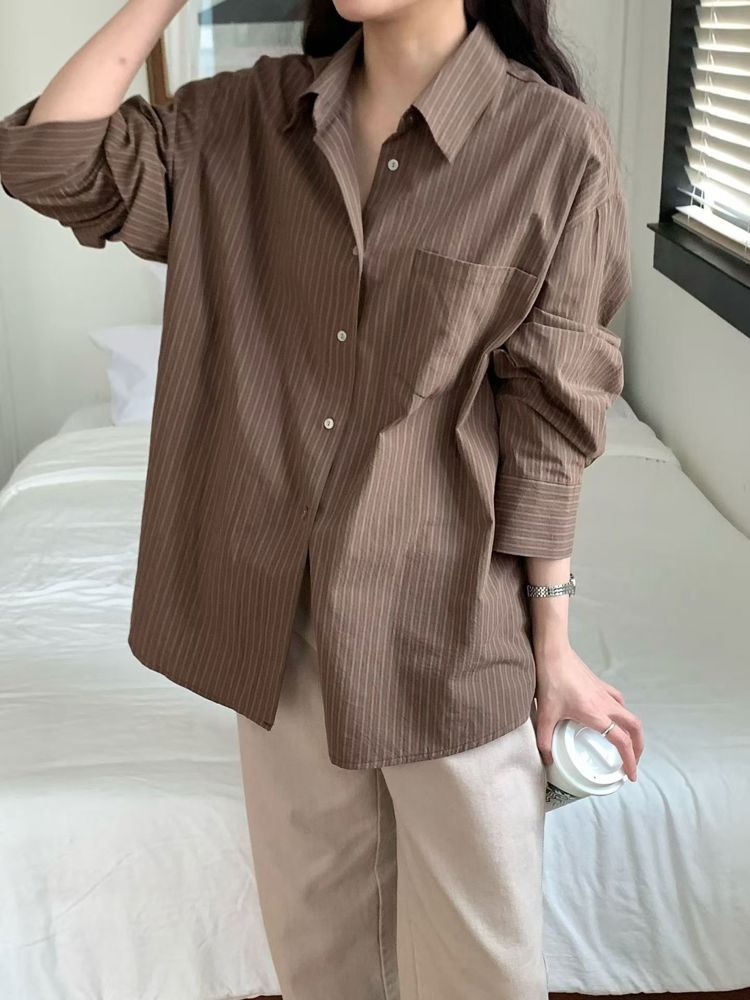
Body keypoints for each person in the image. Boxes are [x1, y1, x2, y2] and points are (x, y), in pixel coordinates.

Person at [0, 0, 644, 997]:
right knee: (320, 966)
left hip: (451, 630)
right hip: (278, 628)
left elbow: (549, 420)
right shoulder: (241, 122)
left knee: (482, 969)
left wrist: (551, 643)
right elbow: (49, 161)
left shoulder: (552, 144)